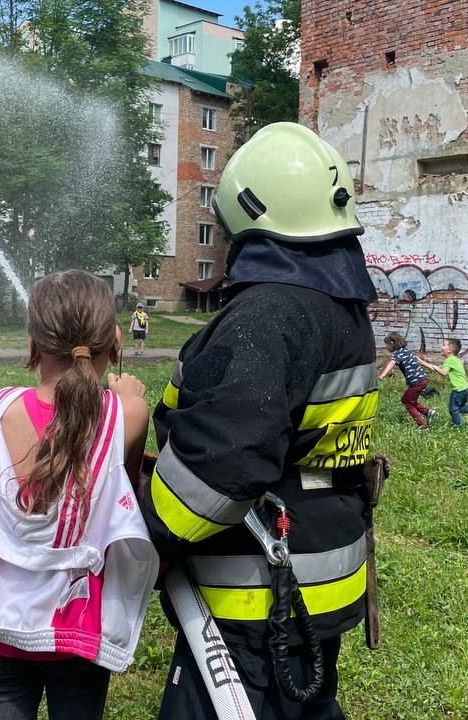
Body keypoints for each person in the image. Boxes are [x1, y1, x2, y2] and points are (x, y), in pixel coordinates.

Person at [140, 123, 379, 719]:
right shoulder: (337, 307)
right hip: (313, 587)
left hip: (257, 604)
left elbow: (222, 466)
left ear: (249, 213)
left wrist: (145, 527)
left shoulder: (268, 316)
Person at [0, 270, 159, 720]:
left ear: (34, 342)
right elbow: (126, 495)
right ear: (114, 339)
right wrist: (127, 393)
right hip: (74, 639)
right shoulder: (128, 414)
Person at [417, 338, 468, 429]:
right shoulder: (456, 360)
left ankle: (458, 427)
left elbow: (443, 373)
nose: (441, 347)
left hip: (458, 389)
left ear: (449, 350)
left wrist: (427, 364)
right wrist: (425, 364)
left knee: (453, 410)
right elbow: (438, 368)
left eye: (444, 345)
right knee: (459, 408)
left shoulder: (449, 361)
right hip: (465, 388)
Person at [377, 331, 435, 429]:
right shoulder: (408, 351)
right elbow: (418, 360)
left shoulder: (397, 354)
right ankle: (427, 412)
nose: (386, 348)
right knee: (408, 399)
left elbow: (391, 364)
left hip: (416, 382)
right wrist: (430, 366)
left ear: (392, 343)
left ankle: (422, 425)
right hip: (423, 379)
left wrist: (382, 375)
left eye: (387, 345)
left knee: (407, 402)